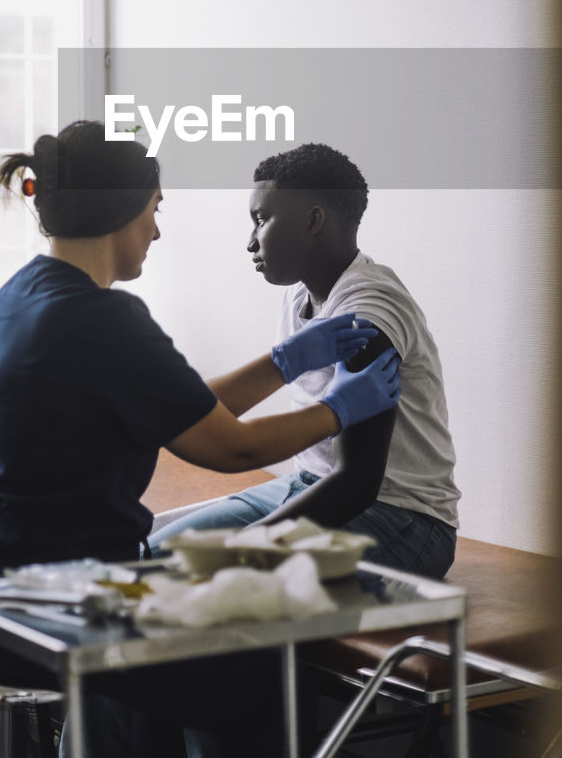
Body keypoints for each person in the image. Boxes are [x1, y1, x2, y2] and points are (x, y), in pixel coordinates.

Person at [0, 121, 401, 756]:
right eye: (154, 209)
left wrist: (282, 362)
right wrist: (340, 409)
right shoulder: (106, 319)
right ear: (123, 211)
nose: (156, 229)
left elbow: (182, 408)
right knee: (259, 673)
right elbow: (232, 449)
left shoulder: (15, 299)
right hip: (40, 603)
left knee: (165, 664)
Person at [150, 143, 460, 581]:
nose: (250, 241)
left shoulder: (369, 310)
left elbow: (357, 484)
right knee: (151, 557)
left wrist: (240, 551)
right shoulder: (298, 296)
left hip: (400, 519)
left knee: (200, 579)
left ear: (314, 220)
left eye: (261, 220)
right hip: (307, 488)